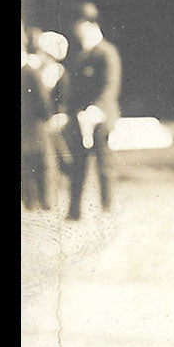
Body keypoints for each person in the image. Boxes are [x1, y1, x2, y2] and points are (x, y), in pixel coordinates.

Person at [62, 17, 122, 221]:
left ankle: (107, 208)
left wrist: (96, 110)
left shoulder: (107, 52)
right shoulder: (82, 56)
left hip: (101, 117)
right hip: (81, 118)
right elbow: (75, 91)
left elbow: (110, 86)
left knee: (104, 164)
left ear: (92, 27)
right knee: (78, 165)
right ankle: (74, 210)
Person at [21, 26, 57, 210]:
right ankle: (44, 201)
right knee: (42, 166)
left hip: (26, 126)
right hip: (35, 126)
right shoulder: (31, 71)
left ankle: (30, 201)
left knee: (26, 167)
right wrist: (48, 116)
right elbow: (42, 99)